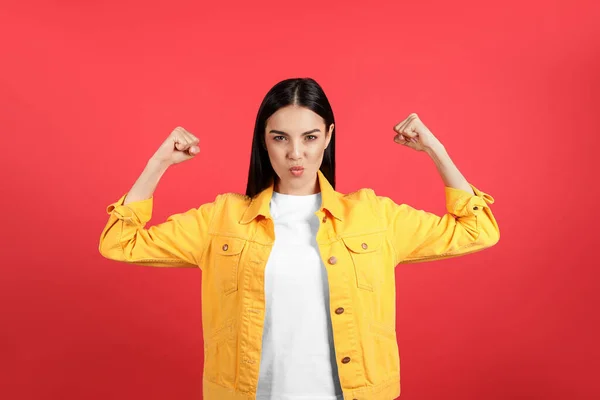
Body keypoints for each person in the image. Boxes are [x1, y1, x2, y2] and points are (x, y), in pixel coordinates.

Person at [99, 77, 500, 400]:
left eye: (309, 137)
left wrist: (436, 150)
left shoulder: (372, 216)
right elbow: (121, 242)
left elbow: (476, 230)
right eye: (280, 137)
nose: (296, 153)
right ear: (263, 139)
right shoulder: (222, 219)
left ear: (328, 136)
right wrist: (158, 164)